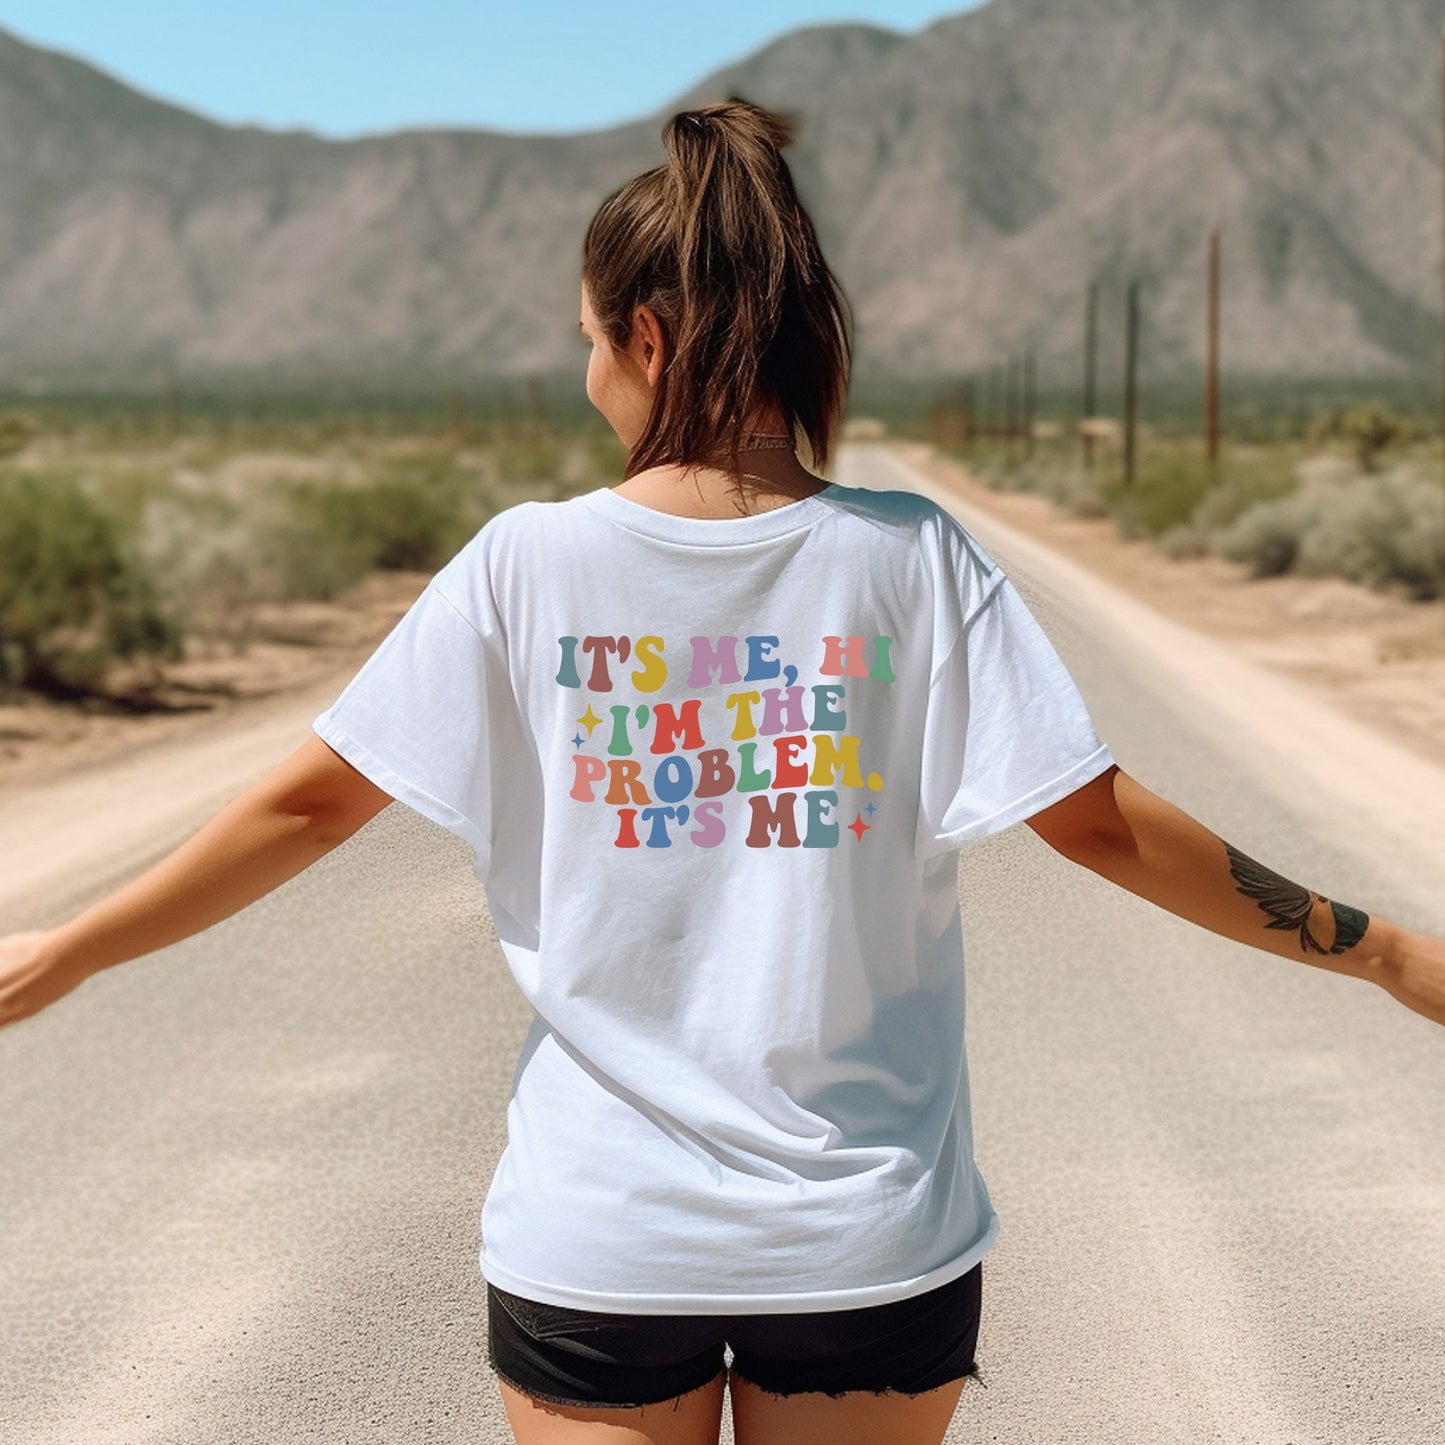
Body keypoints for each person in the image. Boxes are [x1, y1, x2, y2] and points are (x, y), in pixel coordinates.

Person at [1, 96, 1442, 1445]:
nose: (582, 377)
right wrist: (1379, 954)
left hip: (603, 1238)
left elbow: (306, 805)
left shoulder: (524, 565)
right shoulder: (911, 560)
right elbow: (1107, 832)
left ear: (642, 335)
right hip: (863, 1242)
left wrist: (68, 953)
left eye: (582, 339)